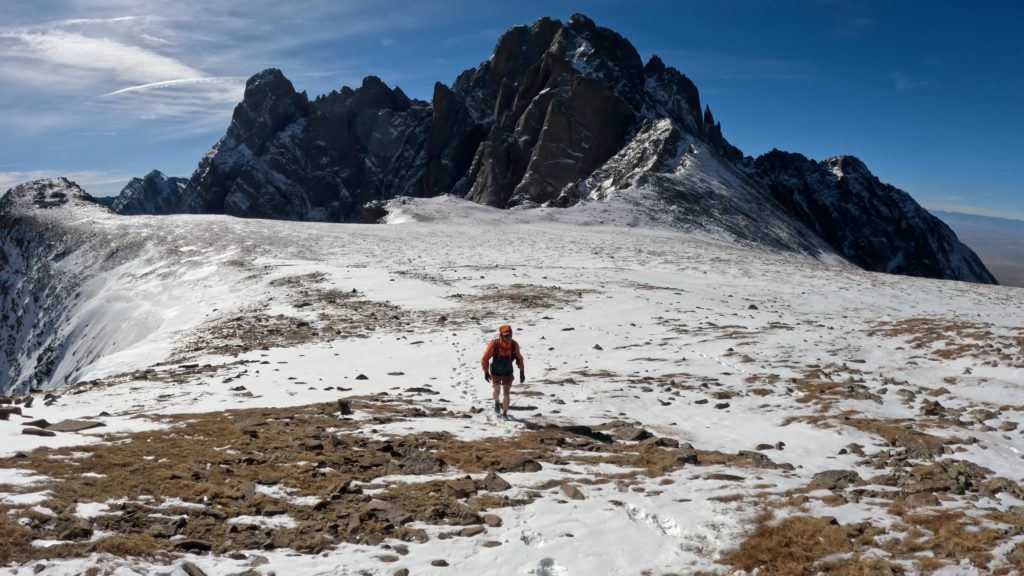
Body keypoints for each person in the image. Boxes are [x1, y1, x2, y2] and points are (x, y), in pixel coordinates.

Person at [481, 324, 525, 419]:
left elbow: (519, 358)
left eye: (510, 335)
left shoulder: (514, 345)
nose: (508, 337)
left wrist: (522, 372)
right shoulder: (494, 344)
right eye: (506, 335)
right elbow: (484, 359)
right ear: (501, 335)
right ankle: (497, 401)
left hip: (508, 372)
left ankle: (504, 413)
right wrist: (486, 372)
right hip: (495, 372)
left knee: (506, 392)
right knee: (497, 391)